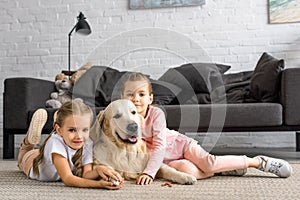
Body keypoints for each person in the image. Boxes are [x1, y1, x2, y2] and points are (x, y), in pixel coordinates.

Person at [120, 72, 293, 185]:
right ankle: (225, 169)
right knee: (188, 172)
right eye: (130, 94)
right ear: (122, 97)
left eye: (141, 94)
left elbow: (159, 146)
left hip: (181, 146)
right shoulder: (122, 118)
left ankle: (256, 161)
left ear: (150, 99)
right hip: (167, 160)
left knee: (209, 164)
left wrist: (149, 173)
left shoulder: (156, 114)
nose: (136, 99)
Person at [18, 100, 124, 189]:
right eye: (72, 130)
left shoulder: (87, 142)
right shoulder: (55, 142)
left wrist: (99, 170)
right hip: (32, 162)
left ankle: (62, 121)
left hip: (51, 155)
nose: (79, 136)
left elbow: (86, 175)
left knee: (44, 151)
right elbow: (68, 178)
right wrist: (97, 184)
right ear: (59, 130)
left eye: (85, 130)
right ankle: (28, 143)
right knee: (22, 157)